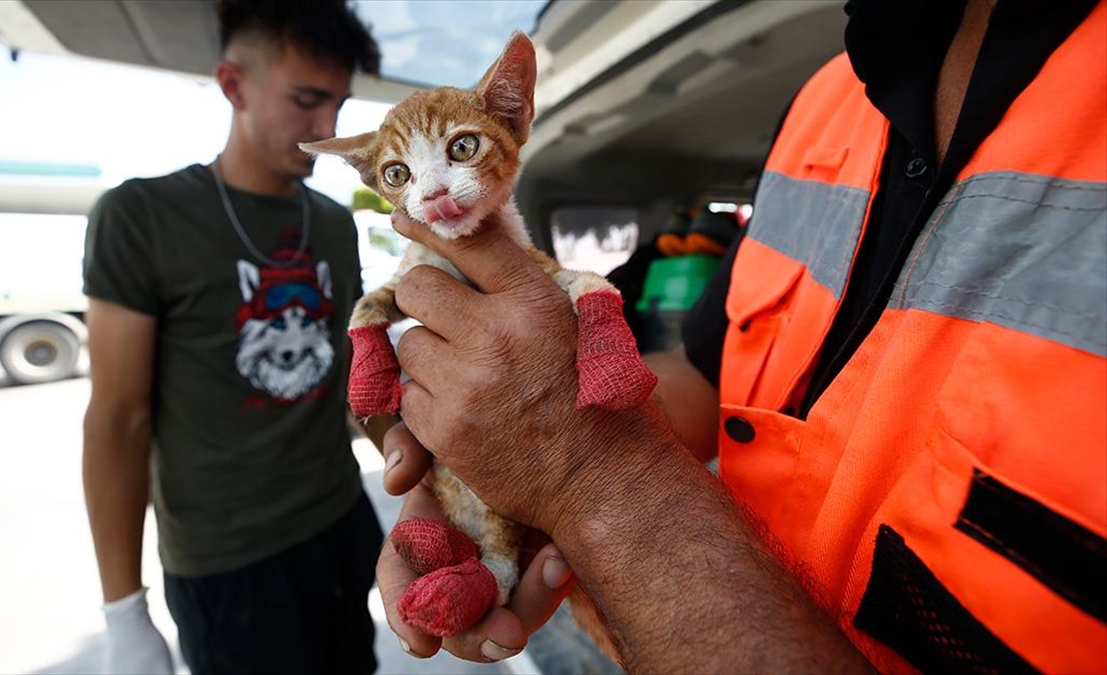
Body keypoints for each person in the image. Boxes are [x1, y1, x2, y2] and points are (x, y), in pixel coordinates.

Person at [375, 0, 1106, 673]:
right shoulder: (827, 101)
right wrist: (486, 466)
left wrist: (581, 474)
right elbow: (704, 372)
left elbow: (593, 462)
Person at [81, 1, 394, 673]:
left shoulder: (335, 225)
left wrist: (420, 463)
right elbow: (117, 420)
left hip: (340, 523)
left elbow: (352, 375)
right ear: (233, 85)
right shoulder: (142, 217)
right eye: (307, 101)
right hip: (229, 561)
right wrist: (122, 610)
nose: (328, 129)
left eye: (339, 104)